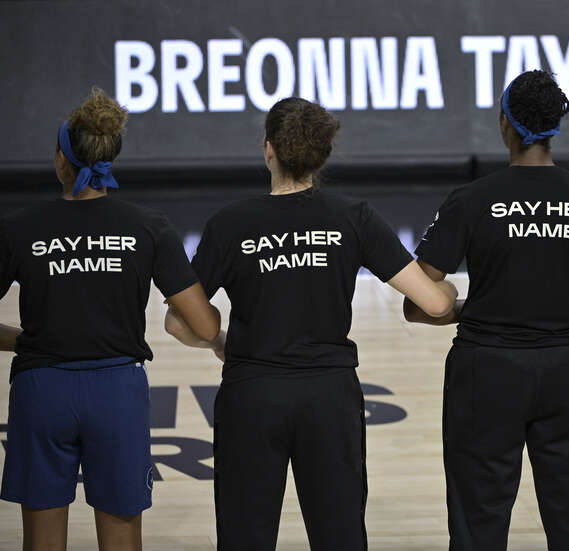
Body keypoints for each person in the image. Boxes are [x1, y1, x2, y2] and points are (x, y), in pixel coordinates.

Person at [164, 96, 458, 551]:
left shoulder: (230, 224)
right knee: (339, 537)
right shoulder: (353, 217)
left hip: (252, 396)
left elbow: (179, 324)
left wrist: (217, 339)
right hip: (328, 398)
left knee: (244, 538)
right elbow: (435, 304)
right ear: (322, 157)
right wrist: (451, 292)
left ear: (268, 150)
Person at [403, 70, 569, 551]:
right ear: (555, 127)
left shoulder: (469, 200)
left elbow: (420, 298)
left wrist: (466, 306)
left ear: (504, 125)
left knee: (478, 526)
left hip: (487, 371)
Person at [0, 88, 219, 551]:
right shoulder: (148, 226)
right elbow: (203, 326)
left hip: (42, 390)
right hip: (117, 392)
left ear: (61, 159)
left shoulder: (19, 228)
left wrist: (20, 341)